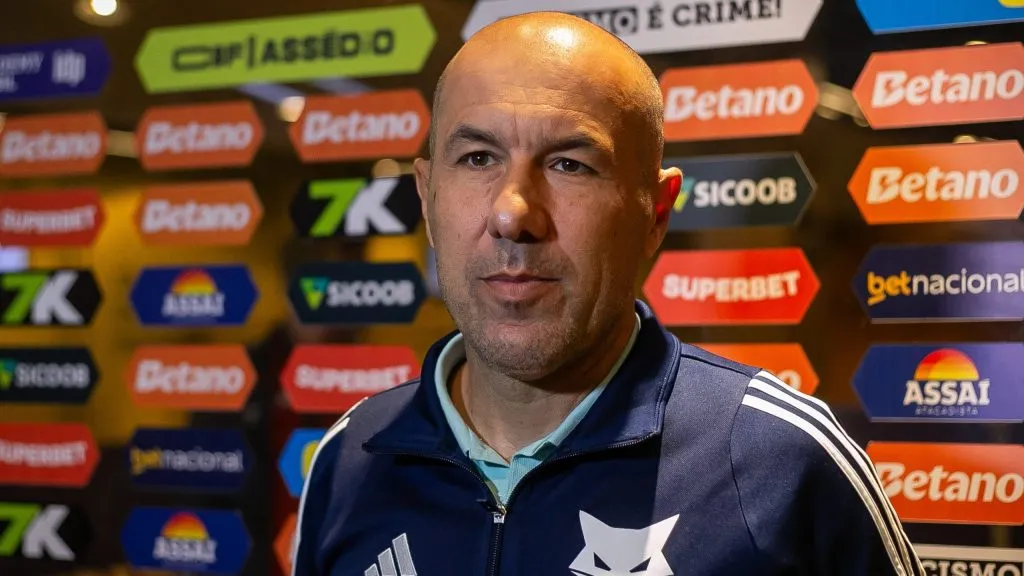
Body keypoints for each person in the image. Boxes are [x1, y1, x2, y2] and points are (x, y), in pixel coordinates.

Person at [292, 12, 924, 576]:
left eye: (570, 164)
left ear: (655, 215)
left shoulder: (782, 461)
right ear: (428, 201)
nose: (514, 213)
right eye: (479, 158)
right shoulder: (351, 455)